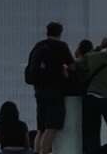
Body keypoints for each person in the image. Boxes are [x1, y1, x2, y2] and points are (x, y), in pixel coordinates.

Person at [26, 22, 75, 154]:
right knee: (51, 127)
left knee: (41, 129)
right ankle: (44, 152)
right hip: (54, 92)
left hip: (39, 91)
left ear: (47, 32)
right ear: (60, 32)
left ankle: (37, 152)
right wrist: (64, 69)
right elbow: (72, 67)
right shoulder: (61, 46)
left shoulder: (39, 46)